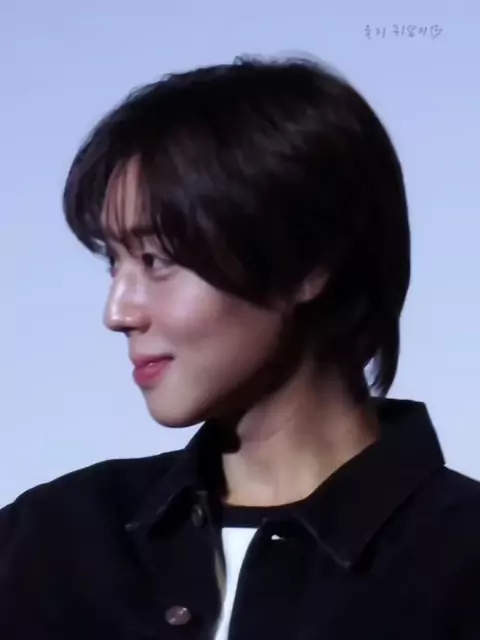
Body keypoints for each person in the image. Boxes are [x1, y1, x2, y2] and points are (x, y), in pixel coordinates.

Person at [1, 55, 479, 640]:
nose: (118, 313)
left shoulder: (460, 563)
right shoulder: (49, 541)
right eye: (114, 264)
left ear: (308, 263)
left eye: (156, 260)